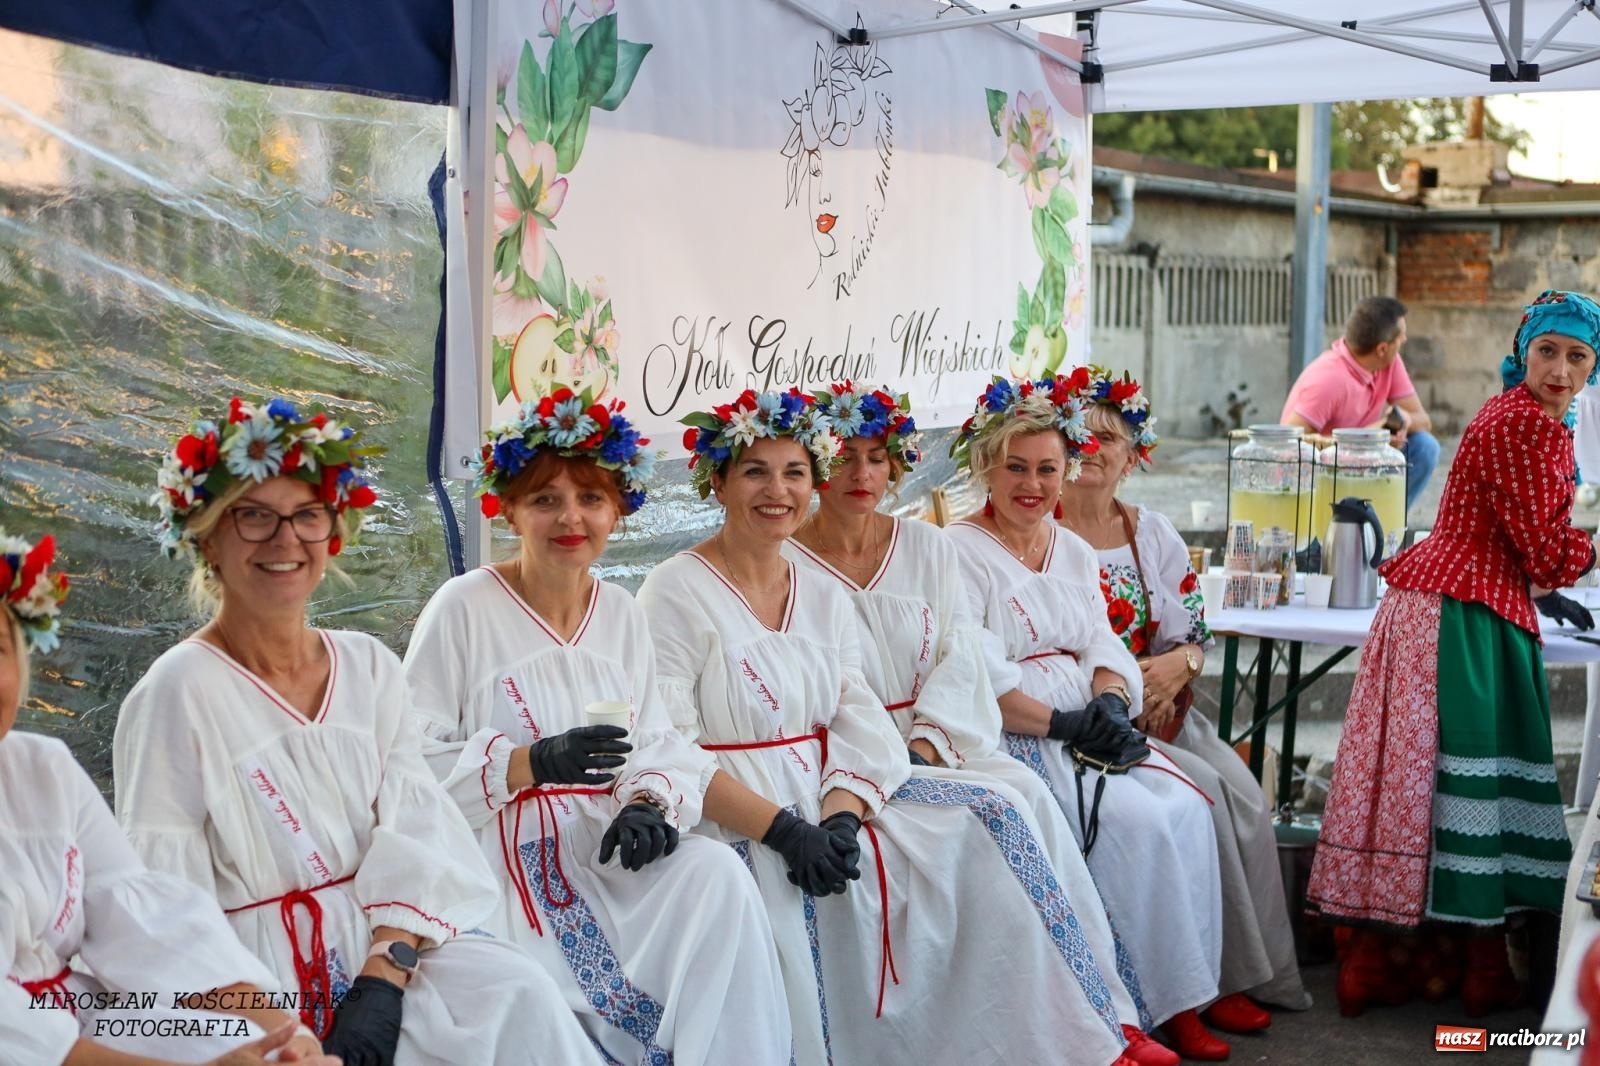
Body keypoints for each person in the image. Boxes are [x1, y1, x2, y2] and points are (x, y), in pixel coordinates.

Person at [638, 388, 1140, 1066]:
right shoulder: (673, 589)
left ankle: (1040, 1035)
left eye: (793, 474)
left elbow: (854, 712)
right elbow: (667, 743)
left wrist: (842, 815)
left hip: (832, 787)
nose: (777, 491)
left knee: (992, 817)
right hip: (736, 807)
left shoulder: (816, 590)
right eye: (755, 472)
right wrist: (786, 831)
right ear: (717, 481)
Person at [113, 397, 598, 1066]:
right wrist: (275, 1027)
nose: (285, 540)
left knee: (519, 993)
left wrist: (382, 979)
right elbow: (164, 914)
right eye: (253, 517)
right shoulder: (177, 693)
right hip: (248, 981)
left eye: (307, 515)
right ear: (206, 539)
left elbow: (417, 831)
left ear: (333, 531)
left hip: (383, 946)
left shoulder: (366, 665)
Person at [785, 381, 1179, 1066]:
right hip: (843, 761)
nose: (860, 475)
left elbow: (958, 656)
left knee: (1033, 803)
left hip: (935, 740)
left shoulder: (925, 548)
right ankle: (1029, 1033)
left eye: (877, 458)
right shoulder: (787, 562)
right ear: (817, 466)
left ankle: (1102, 1015)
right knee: (998, 813)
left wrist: (930, 739)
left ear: (898, 465)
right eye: (843, 457)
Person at [402, 386, 791, 1065]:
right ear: (510, 508)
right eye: (545, 499)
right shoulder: (463, 608)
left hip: (601, 844)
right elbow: (406, 764)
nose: (570, 519)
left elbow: (657, 742)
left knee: (716, 874)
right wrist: (530, 762)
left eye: (590, 499)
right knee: (531, 987)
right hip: (499, 859)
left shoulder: (620, 611)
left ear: (619, 508)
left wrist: (646, 802)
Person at [1307, 290, 1600, 1018]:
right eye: (1548, 352)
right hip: (1461, 618)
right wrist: (1588, 546)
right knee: (1471, 789)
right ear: (1521, 350)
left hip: (1442, 606)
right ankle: (1470, 969)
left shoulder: (1521, 415)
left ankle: (1394, 963)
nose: (1560, 370)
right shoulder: (1529, 425)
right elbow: (1545, 552)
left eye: (1578, 357)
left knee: (1420, 789)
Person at [944, 373, 1230, 1061]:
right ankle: (1119, 1008)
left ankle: (1184, 997)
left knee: (1190, 809)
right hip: (1024, 735)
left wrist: (1107, 699)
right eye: (1016, 467)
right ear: (986, 466)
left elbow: (1102, 641)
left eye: (1047, 468)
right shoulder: (956, 551)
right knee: (1138, 825)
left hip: (1090, 725)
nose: (1033, 485)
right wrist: (1063, 725)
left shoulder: (1068, 548)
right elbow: (977, 671)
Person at [0, 528, 340, 1066]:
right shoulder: (178, 683)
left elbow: (148, 922)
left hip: (85, 1022)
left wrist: (282, 1032)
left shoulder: (41, 769)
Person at [1058, 368, 1312, 1027]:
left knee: (1247, 800)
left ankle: (1253, 970)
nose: (1091, 448)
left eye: (1108, 437)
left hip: (1169, 714)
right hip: (1094, 719)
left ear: (1133, 456)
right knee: (1204, 803)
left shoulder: (1152, 533)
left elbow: (1194, 634)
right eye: (1078, 435)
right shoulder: (1041, 529)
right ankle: (1210, 983)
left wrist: (1179, 668)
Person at [1280, 295, 1439, 519]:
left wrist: (1405, 420)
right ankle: (1337, 532)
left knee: (1424, 447)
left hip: (1362, 465)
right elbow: (1289, 444)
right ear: (1382, 348)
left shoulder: (1389, 365)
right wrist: (1368, 438)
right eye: (1400, 336)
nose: (1404, 339)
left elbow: (1424, 420)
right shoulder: (1328, 380)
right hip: (1324, 476)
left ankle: (1381, 533)